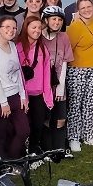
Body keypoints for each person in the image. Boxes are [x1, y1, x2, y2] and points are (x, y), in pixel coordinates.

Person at [0, 15, 29, 160]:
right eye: (7, 27)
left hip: (15, 95)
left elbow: (18, 73)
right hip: (1, 98)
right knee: (0, 136)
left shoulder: (12, 45)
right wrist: (3, 102)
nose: (11, 30)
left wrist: (23, 96)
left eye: (14, 28)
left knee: (23, 131)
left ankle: (13, 158)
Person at [65, 0, 93, 152]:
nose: (87, 10)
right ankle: (74, 137)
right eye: (83, 8)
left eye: (89, 6)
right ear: (78, 10)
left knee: (90, 103)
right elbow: (68, 50)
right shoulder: (74, 27)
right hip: (77, 69)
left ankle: (88, 134)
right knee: (75, 104)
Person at [18, 17, 55, 154]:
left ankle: (33, 150)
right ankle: (23, 151)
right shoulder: (18, 48)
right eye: (34, 27)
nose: (37, 31)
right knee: (24, 126)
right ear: (26, 28)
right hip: (23, 95)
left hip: (38, 94)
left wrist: (48, 97)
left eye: (39, 28)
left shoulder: (42, 49)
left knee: (38, 125)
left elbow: (46, 74)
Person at [40, 5, 74, 151]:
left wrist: (61, 87)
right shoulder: (38, 37)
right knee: (46, 119)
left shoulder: (63, 37)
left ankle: (59, 148)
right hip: (42, 85)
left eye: (59, 20)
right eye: (53, 19)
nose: (57, 22)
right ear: (46, 20)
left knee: (61, 118)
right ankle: (48, 149)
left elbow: (65, 62)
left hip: (59, 82)